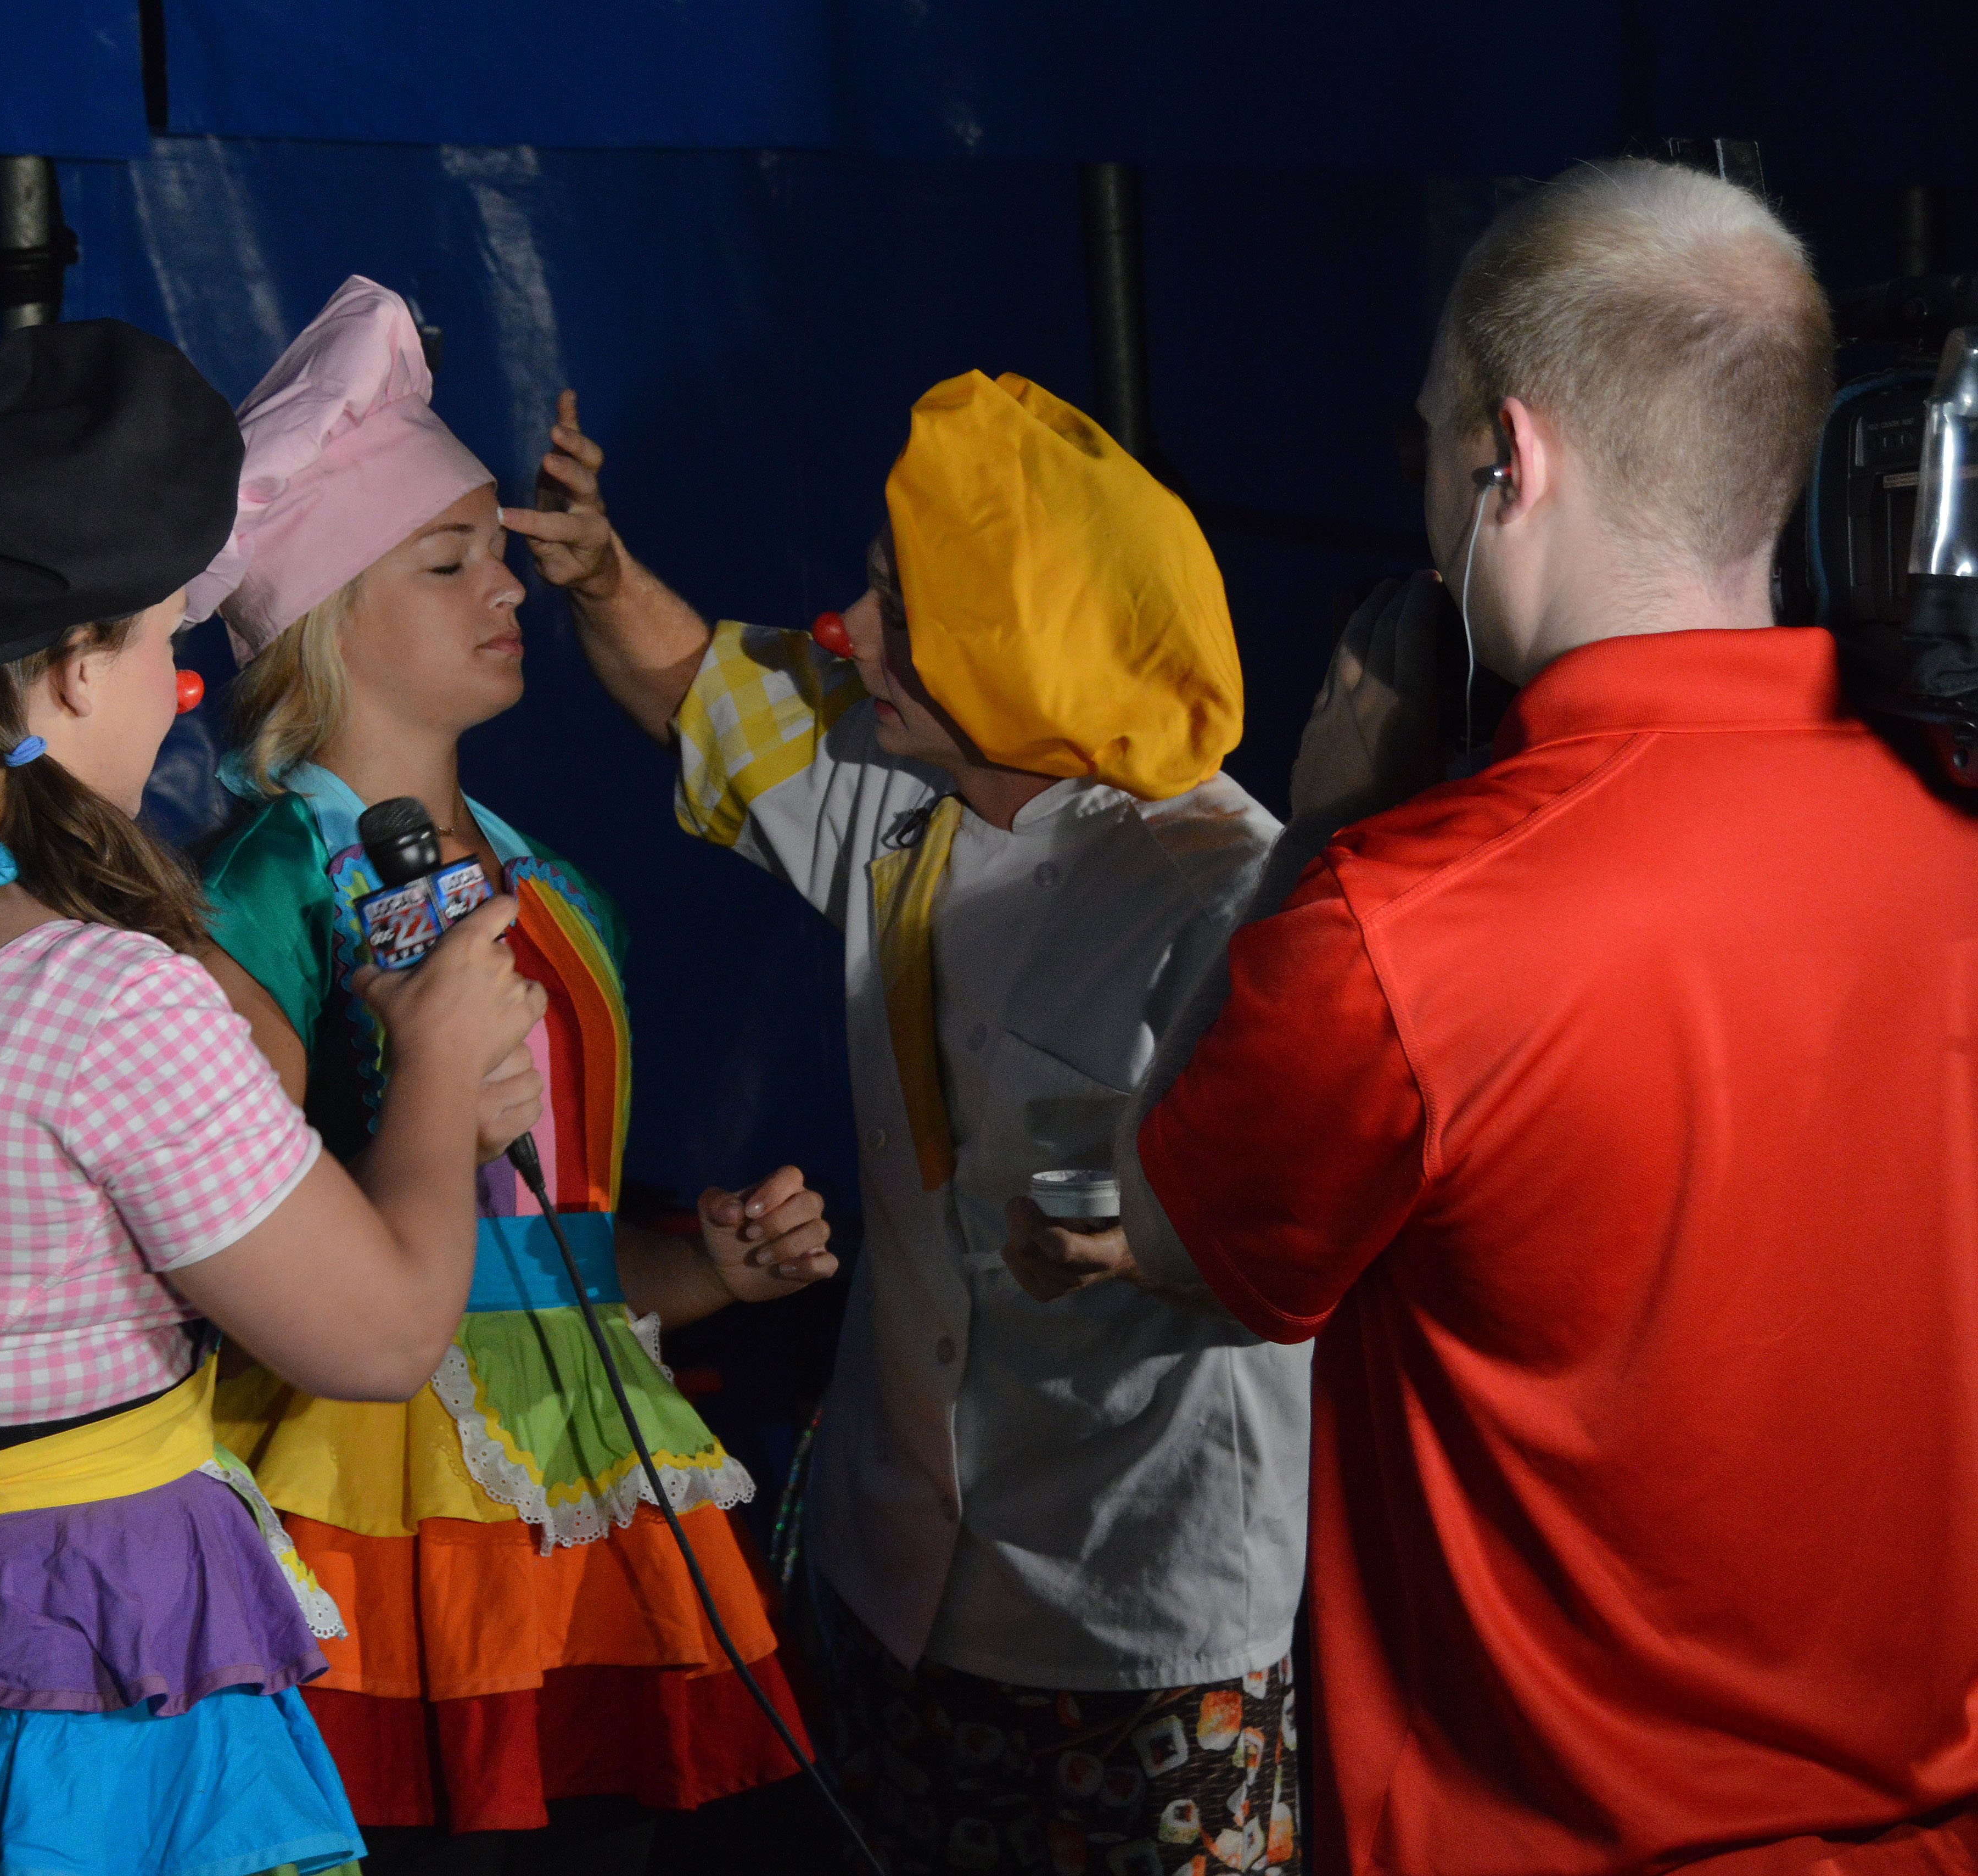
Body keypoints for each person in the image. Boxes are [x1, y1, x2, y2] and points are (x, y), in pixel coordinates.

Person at [1125, 159, 1978, 1872]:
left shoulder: (1393, 926)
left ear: (1501, 459)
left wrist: (1322, 826)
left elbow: (1177, 1237)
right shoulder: (1949, 823)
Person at [0, 318, 543, 1876]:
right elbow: (386, 1337)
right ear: (70, 664)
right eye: (154, 643)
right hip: (79, 1663)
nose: (181, 686)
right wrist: (429, 1065)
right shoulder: (105, 992)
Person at [512, 370, 1312, 1873]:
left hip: (1135, 1620)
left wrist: (1148, 1246)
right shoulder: (901, 789)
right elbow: (698, 691)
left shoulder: (1225, 896)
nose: (843, 631)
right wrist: (603, 572)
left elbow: (1316, 1226)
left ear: (1008, 642)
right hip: (901, 1588)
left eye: (896, 601)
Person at [188, 276, 838, 1872]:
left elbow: (555, 1253)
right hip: (376, 1510)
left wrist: (708, 1269)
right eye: (452, 557)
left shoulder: (563, 898)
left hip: (584, 1492)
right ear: (334, 611)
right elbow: (235, 1239)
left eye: (503, 552)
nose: (511, 586)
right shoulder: (264, 891)